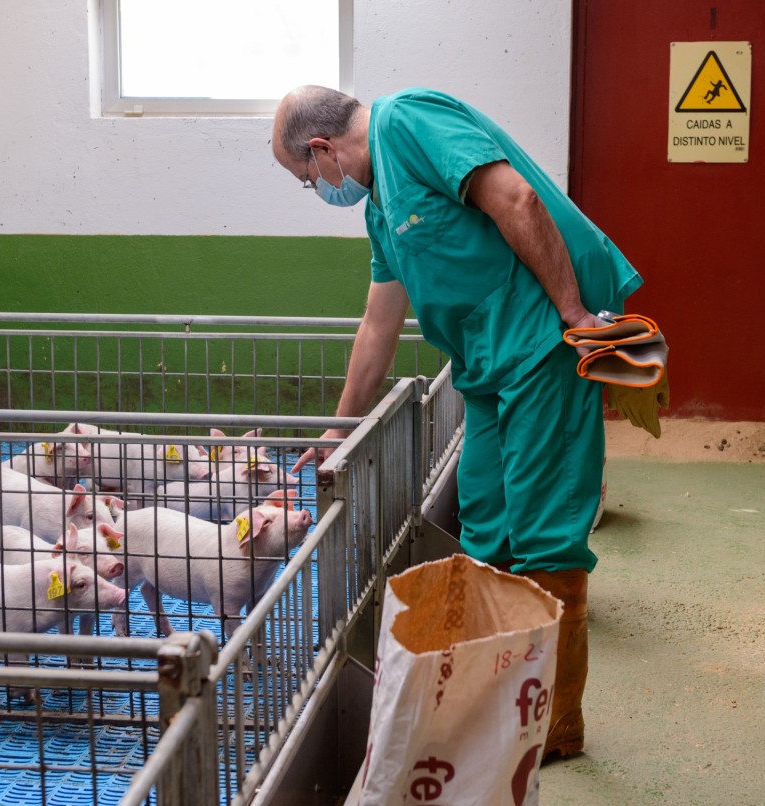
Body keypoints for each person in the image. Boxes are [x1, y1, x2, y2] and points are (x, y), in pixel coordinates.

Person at [273, 85, 659, 761]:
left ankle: (554, 727)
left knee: (545, 538)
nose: (321, 188)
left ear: (321, 149)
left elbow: (517, 199)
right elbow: (378, 327)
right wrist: (336, 435)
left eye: (309, 179)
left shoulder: (408, 122)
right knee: (486, 524)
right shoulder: (382, 209)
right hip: (485, 372)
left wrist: (572, 314)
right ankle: (502, 698)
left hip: (541, 347)